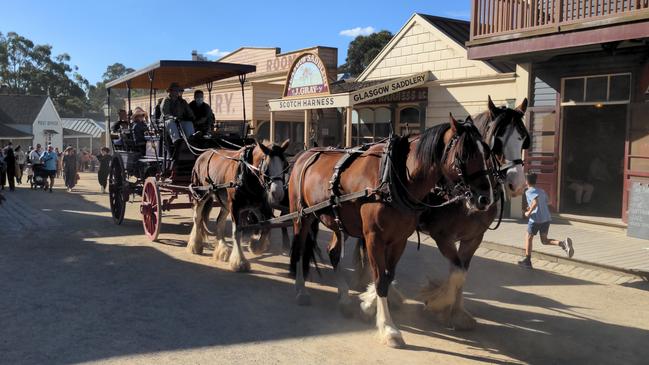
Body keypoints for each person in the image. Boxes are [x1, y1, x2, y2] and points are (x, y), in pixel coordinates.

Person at [519, 173, 575, 269]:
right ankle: (563, 244)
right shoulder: (542, 191)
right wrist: (531, 206)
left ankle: (527, 261)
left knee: (528, 237)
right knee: (544, 240)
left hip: (536, 219)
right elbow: (546, 202)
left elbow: (535, 202)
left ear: (527, 181)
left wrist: (528, 212)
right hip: (546, 219)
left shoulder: (528, 191)